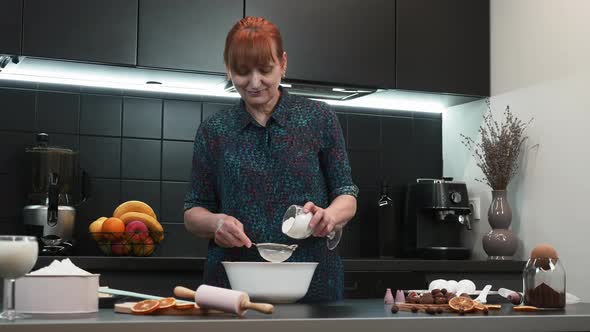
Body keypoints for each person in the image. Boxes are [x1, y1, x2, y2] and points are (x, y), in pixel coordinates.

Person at [183, 16, 358, 302]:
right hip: (232, 288)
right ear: (228, 69)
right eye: (241, 72)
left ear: (283, 63)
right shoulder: (214, 130)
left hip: (312, 284)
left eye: (265, 70)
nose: (254, 83)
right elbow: (193, 212)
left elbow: (346, 194)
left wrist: (330, 216)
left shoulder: (319, 118)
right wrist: (215, 224)